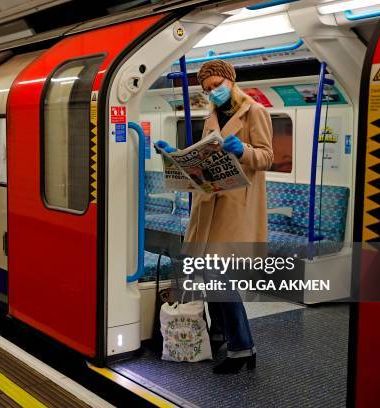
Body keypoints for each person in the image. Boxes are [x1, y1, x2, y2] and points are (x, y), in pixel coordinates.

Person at [157, 59, 273, 374]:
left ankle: (242, 348)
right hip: (209, 205)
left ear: (230, 82)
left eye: (217, 86)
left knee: (222, 279)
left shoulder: (256, 112)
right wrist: (175, 156)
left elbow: (266, 156)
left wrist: (243, 151)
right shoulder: (211, 117)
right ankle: (221, 337)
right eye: (208, 89)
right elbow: (204, 154)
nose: (213, 92)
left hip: (236, 208)